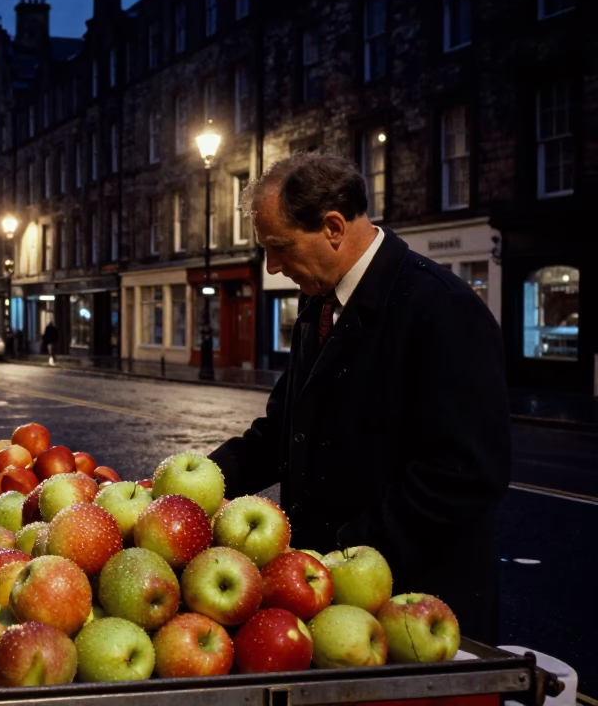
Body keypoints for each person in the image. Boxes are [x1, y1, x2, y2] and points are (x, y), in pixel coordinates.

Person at [208, 152, 509, 642]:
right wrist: (195, 487)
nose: (273, 266)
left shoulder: (443, 308)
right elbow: (281, 432)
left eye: (279, 247)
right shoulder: (319, 301)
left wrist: (347, 551)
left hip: (417, 609)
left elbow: (466, 475)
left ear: (332, 226)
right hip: (335, 598)